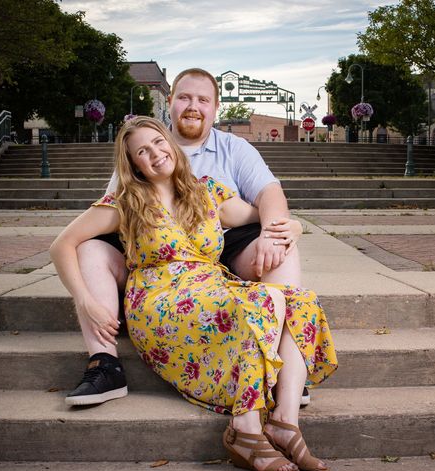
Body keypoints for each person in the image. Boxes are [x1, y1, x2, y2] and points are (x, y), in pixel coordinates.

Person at [50, 116, 337, 471]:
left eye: (157, 142)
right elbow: (63, 244)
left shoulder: (207, 192)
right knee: (266, 300)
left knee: (300, 301)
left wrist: (292, 225)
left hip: (211, 290)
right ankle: (246, 431)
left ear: (170, 143)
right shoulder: (126, 202)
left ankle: (285, 420)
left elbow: (263, 216)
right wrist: (85, 300)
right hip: (160, 301)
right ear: (134, 164)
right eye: (142, 151)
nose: (155, 154)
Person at [66, 68, 312, 407]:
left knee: (281, 245)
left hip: (220, 250)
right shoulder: (143, 144)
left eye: (202, 99)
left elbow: (267, 195)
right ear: (170, 103)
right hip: (157, 261)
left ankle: (282, 368)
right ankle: (104, 364)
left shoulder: (233, 149)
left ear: (216, 107)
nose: (193, 106)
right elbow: (111, 212)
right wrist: (84, 297)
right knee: (91, 247)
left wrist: (284, 228)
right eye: (184, 97)